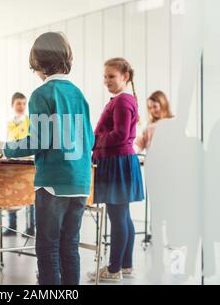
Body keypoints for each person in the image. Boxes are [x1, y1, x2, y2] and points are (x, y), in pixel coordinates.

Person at [0, 32, 94, 285]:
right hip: (80, 182)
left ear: (39, 62)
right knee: (70, 246)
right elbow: (89, 139)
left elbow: (38, 141)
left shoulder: (41, 94)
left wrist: (4, 148)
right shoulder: (79, 94)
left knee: (47, 249)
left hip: (52, 184)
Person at [90, 57, 144, 282]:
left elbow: (120, 135)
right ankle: (126, 265)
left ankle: (113, 270)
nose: (106, 81)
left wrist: (95, 140)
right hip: (120, 162)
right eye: (105, 76)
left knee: (118, 217)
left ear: (125, 77)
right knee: (123, 217)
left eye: (111, 76)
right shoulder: (121, 100)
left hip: (117, 163)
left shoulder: (122, 101)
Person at [3, 92, 35, 237]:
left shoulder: (29, 120)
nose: (21, 106)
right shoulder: (10, 122)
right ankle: (12, 225)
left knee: (29, 192)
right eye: (18, 103)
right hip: (13, 159)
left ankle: (31, 226)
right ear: (12, 105)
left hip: (26, 158)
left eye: (23, 103)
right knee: (11, 191)